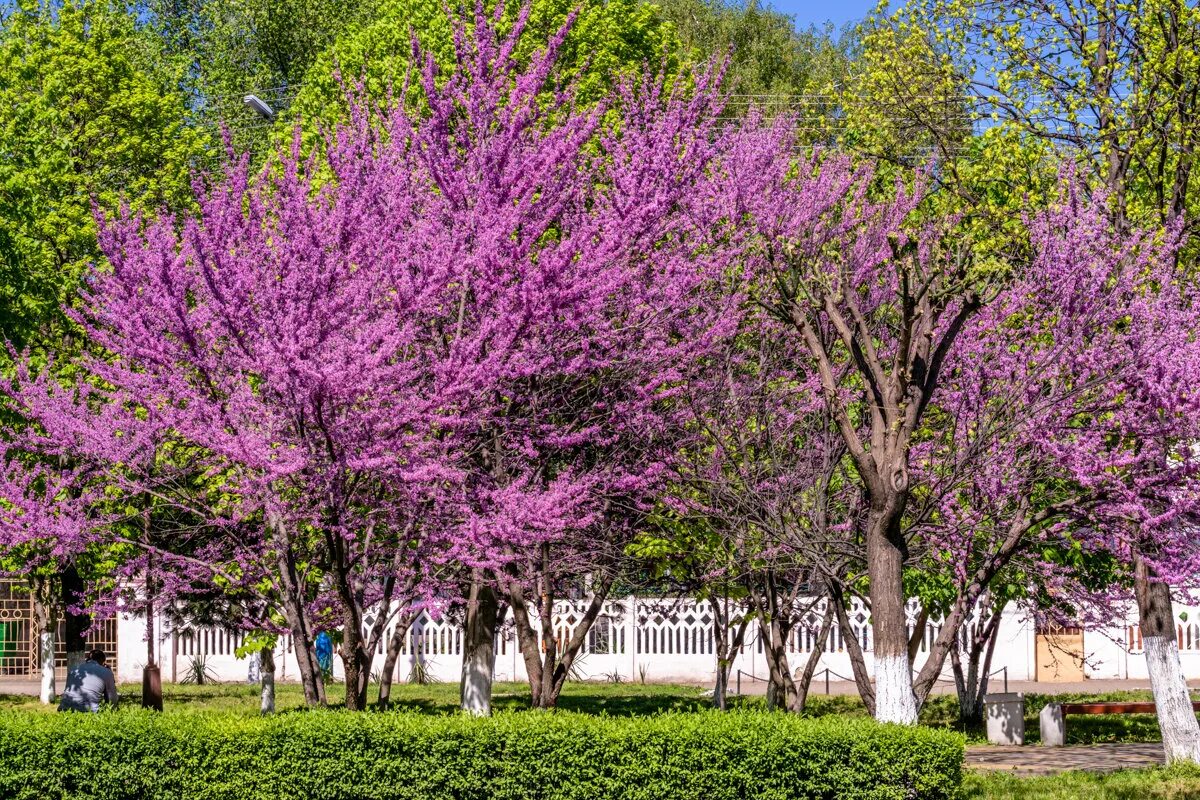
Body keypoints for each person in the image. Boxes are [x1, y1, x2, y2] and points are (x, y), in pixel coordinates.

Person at [58, 648, 119, 712]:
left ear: (87, 659)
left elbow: (67, 691)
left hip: (64, 709)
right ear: (102, 661)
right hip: (88, 711)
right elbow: (112, 698)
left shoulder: (74, 669)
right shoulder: (106, 671)